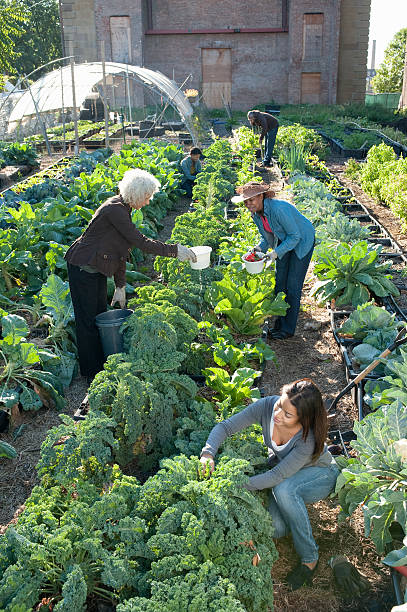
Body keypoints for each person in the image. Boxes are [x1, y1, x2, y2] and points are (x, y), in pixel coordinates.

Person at [200, 378, 339, 591]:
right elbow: (226, 427)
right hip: (287, 474)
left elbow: (276, 476)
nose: (277, 415)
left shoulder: (306, 439)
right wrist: (208, 453)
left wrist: (237, 486)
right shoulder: (266, 406)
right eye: (280, 405)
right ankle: (294, 516)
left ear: (304, 420)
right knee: (274, 527)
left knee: (284, 489)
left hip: (319, 475)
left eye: (288, 414)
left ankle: (310, 558)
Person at [65, 168, 197, 383]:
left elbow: (121, 251)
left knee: (99, 316)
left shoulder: (123, 209)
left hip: (95, 268)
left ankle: (101, 364)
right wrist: (174, 250)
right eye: (146, 197)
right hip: (83, 268)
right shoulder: (114, 210)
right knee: (88, 321)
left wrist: (119, 286)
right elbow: (140, 242)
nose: (147, 202)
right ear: (135, 194)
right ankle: (91, 372)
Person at [231, 181, 315, 339]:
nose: (248, 204)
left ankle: (287, 329)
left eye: (251, 200)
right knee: (280, 282)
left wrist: (275, 253)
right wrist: (258, 249)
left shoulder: (278, 209)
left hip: (302, 239)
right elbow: (267, 237)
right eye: (246, 201)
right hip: (285, 239)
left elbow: (295, 236)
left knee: (292, 286)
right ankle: (280, 321)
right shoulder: (256, 215)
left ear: (261, 196)